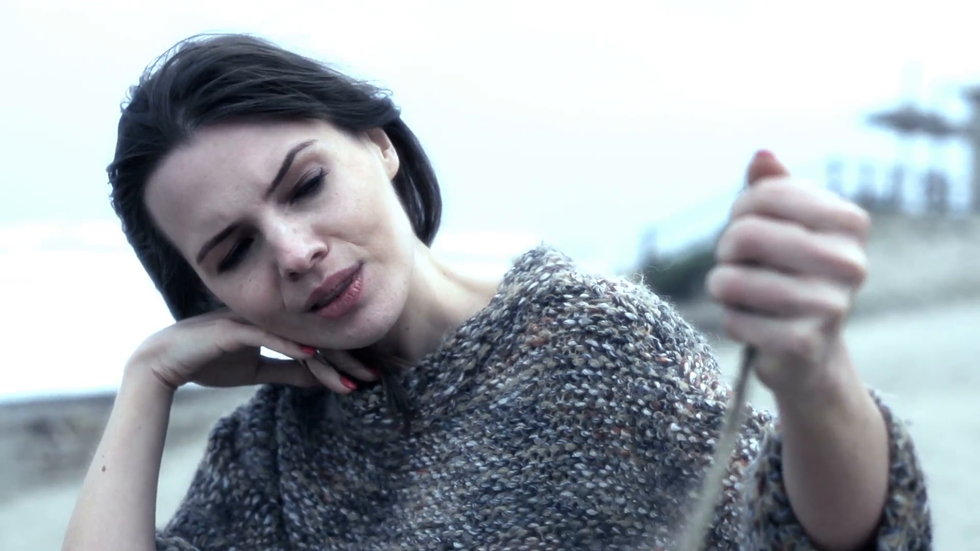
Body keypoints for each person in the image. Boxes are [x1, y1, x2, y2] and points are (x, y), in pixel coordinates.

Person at [63, 33, 931, 550]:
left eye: (305, 185)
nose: (294, 251)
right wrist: (148, 378)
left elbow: (809, 534)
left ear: (379, 145)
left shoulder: (586, 338)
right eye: (234, 248)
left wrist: (815, 379)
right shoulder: (267, 458)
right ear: (210, 295)